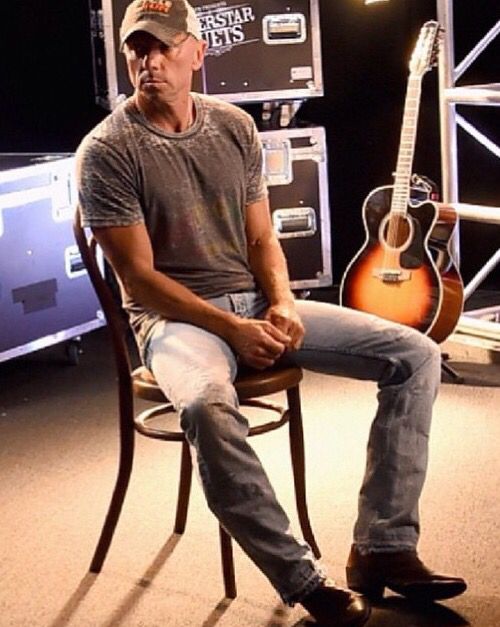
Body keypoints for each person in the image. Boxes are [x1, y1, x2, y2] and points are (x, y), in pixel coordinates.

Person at [76, 0, 466, 624]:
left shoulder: (233, 126)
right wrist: (231, 328)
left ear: (197, 53)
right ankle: (303, 580)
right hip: (176, 323)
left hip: (256, 303)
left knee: (415, 354)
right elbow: (140, 280)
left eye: (164, 46)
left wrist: (281, 301)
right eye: (137, 49)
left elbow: (263, 241)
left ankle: (384, 546)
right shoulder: (107, 150)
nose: (149, 60)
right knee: (206, 402)